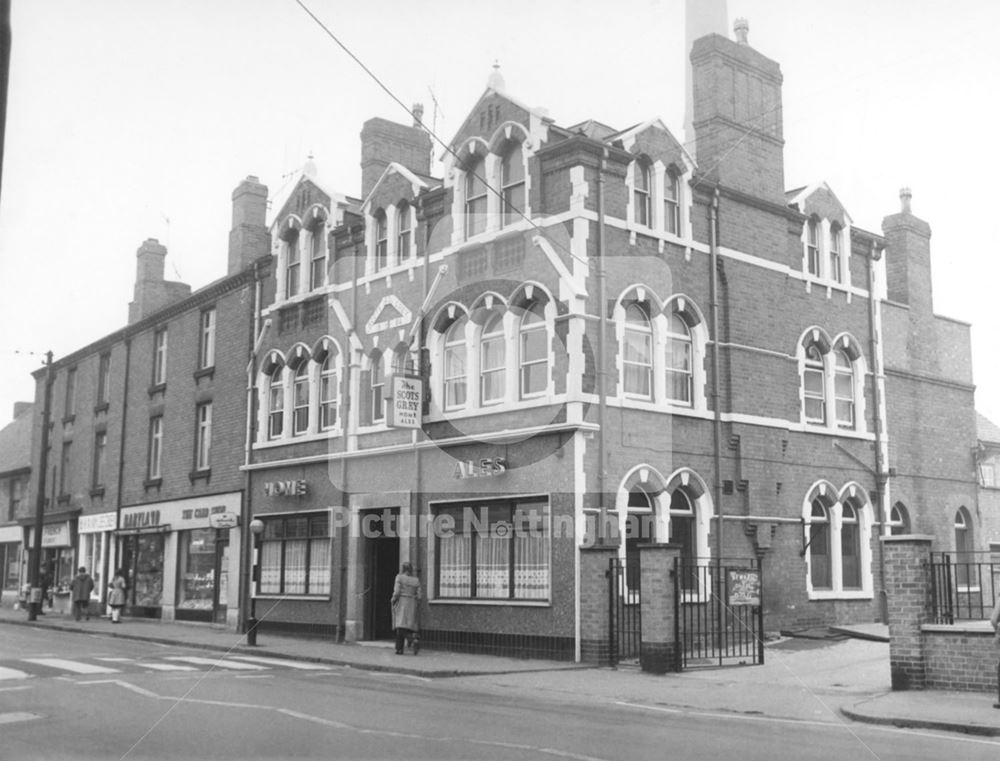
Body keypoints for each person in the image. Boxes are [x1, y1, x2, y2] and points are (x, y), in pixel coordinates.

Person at [391, 562, 421, 655]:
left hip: (402, 602)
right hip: (412, 603)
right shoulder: (416, 580)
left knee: (400, 626)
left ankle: (402, 646)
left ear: (403, 569)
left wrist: (393, 600)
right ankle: (409, 641)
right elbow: (419, 596)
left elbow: (396, 592)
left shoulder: (399, 578)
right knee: (408, 625)